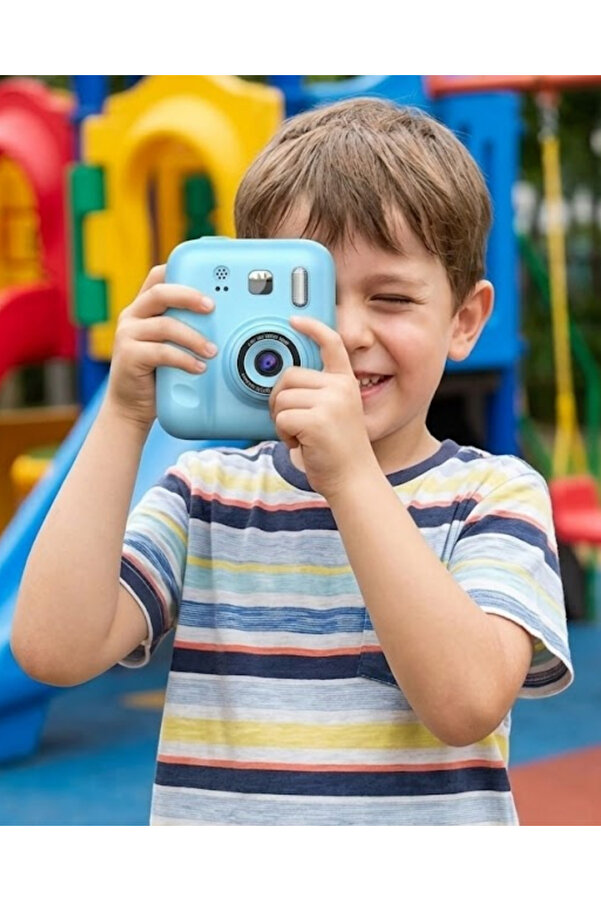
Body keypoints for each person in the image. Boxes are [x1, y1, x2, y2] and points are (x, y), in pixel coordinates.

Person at [12, 97, 573, 826]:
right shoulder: (203, 493)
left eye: (392, 297)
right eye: (305, 297)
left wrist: (346, 476)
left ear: (464, 320)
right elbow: (53, 650)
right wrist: (123, 416)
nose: (344, 332)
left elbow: (463, 702)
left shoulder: (493, 495)